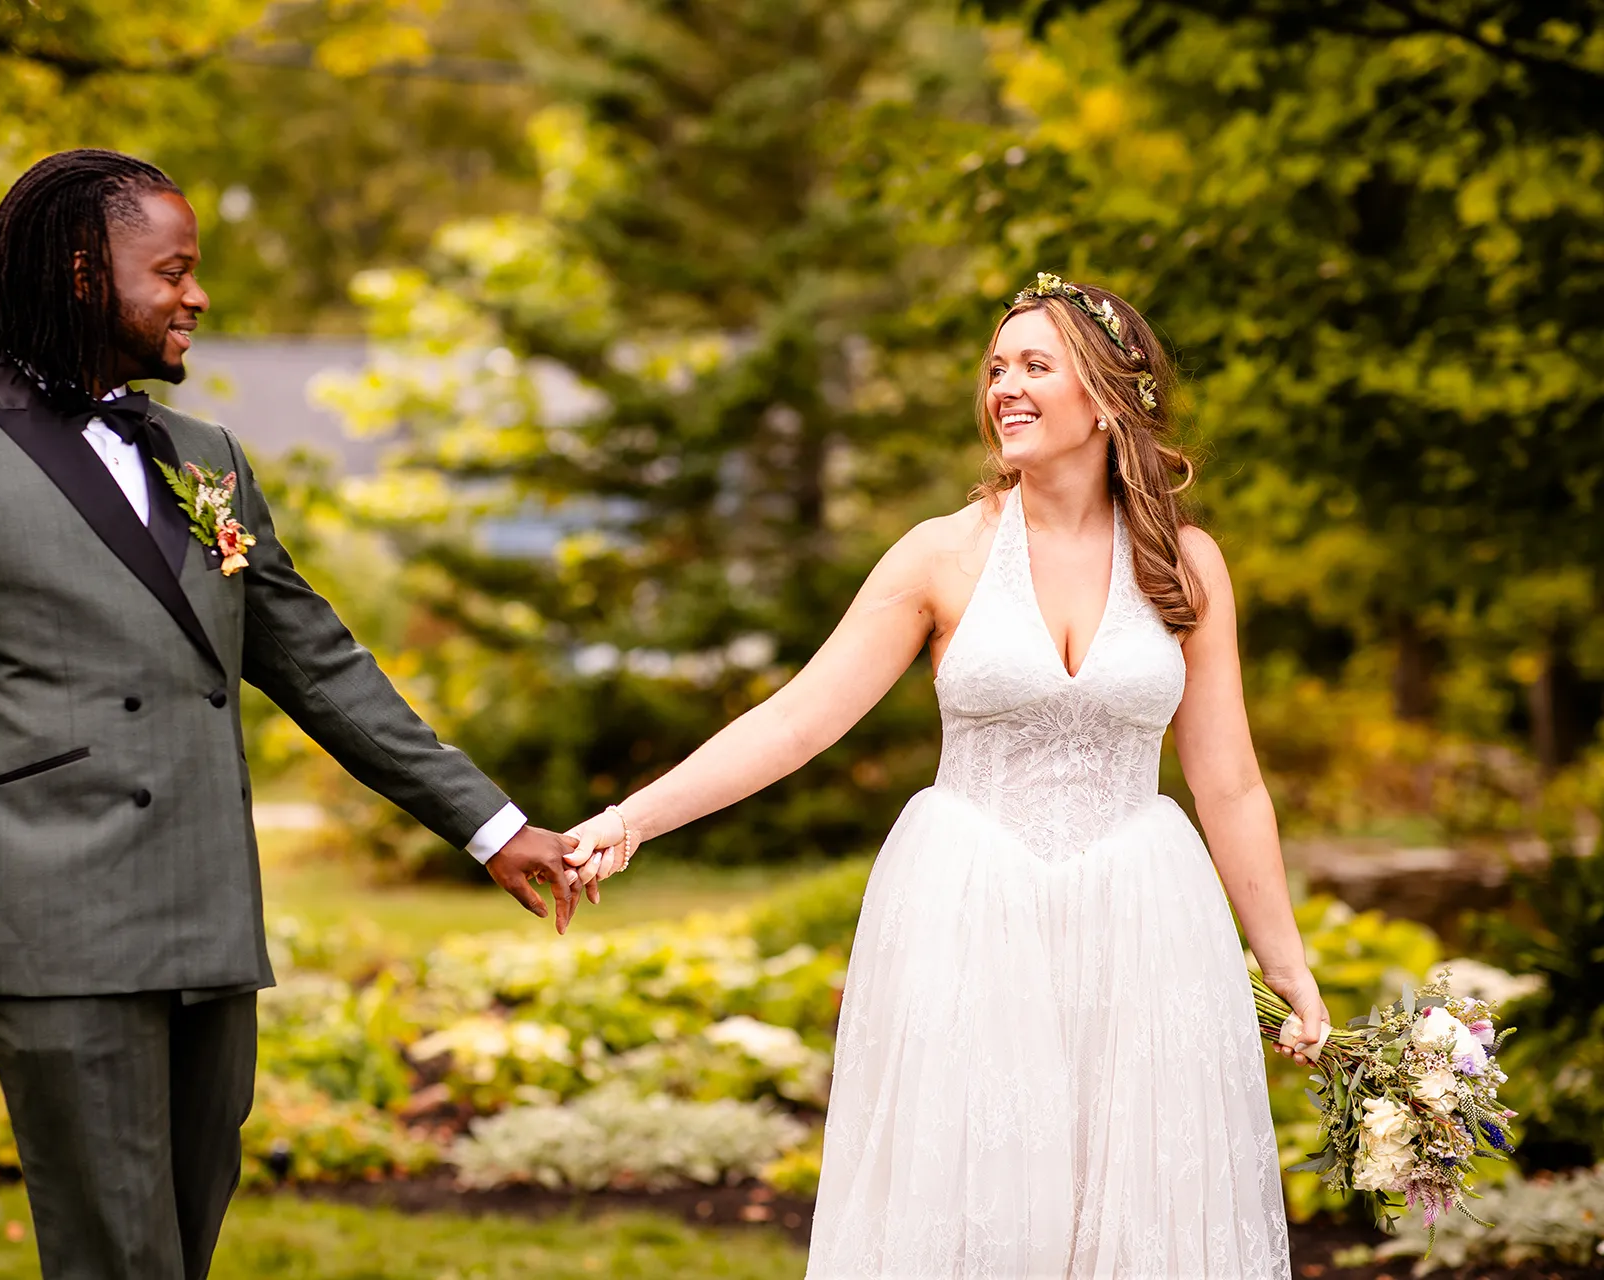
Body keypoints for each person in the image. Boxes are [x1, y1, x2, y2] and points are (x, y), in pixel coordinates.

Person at [0, 148, 581, 1280]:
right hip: (51, 919)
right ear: (82, 269)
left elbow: (321, 663)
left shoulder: (204, 456)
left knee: (180, 1240)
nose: (197, 296)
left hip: (206, 915)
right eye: (172, 271)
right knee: (119, 1253)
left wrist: (492, 825)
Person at [564, 274, 1330, 1277]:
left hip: (1145, 925)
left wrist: (1287, 964)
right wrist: (632, 817)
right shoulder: (942, 556)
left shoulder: (1186, 565)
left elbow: (1228, 782)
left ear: (1103, 395)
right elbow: (799, 719)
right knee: (977, 1213)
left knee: (1137, 1220)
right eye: (997, 368)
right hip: (971, 915)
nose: (1005, 387)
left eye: (1034, 366)